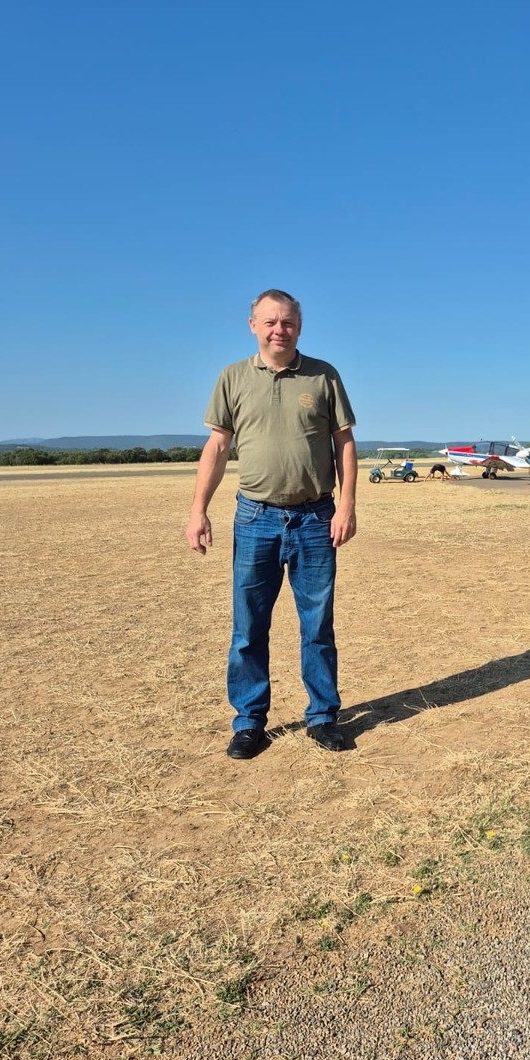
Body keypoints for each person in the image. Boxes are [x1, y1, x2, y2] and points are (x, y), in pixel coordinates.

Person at [185, 289, 357, 759]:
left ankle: (323, 718)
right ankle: (249, 723)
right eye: (270, 322)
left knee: (317, 625)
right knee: (248, 627)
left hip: (315, 517)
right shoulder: (233, 377)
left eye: (288, 322)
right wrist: (198, 510)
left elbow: (344, 442)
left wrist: (346, 506)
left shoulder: (323, 375)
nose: (280, 330)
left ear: (299, 327)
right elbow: (218, 446)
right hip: (255, 518)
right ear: (253, 326)